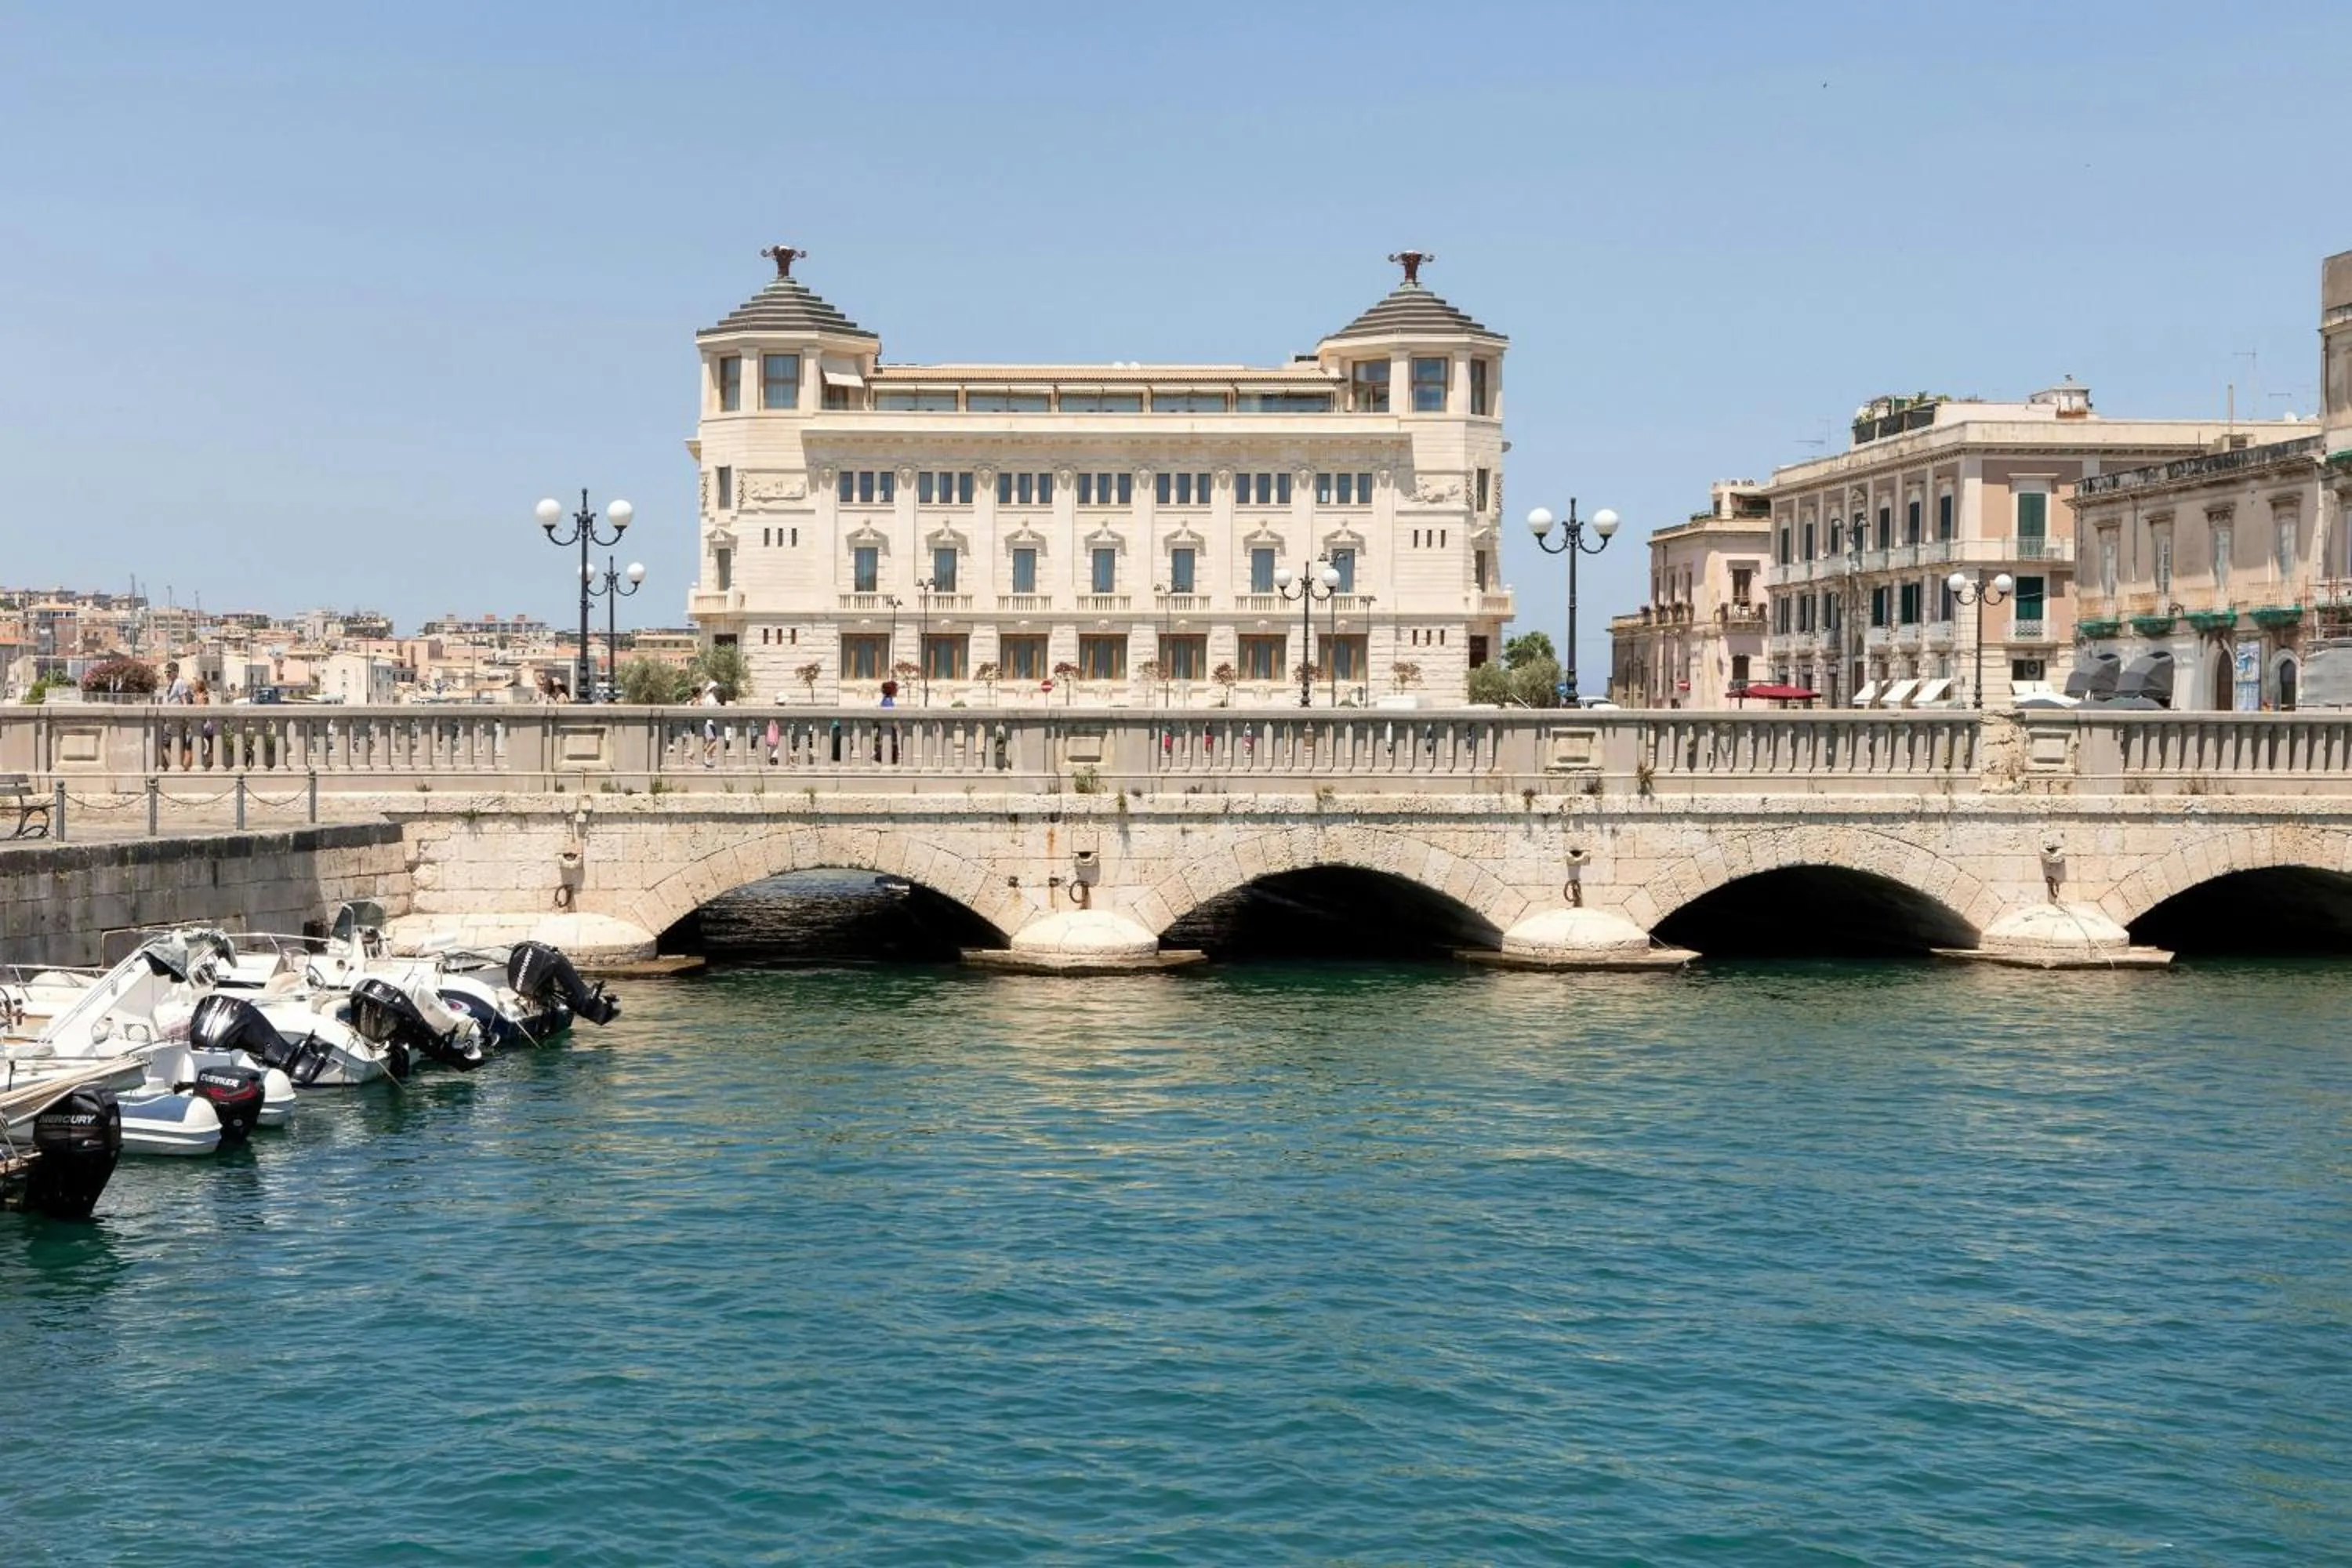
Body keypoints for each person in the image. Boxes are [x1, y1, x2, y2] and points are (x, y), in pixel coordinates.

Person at [699, 681, 722, 767]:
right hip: (711, 722)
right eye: (716, 688)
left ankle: (708, 758)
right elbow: (714, 710)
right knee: (716, 741)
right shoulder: (711, 698)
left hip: (711, 722)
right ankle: (705, 754)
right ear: (713, 689)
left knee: (710, 741)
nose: (718, 690)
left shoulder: (711, 697)